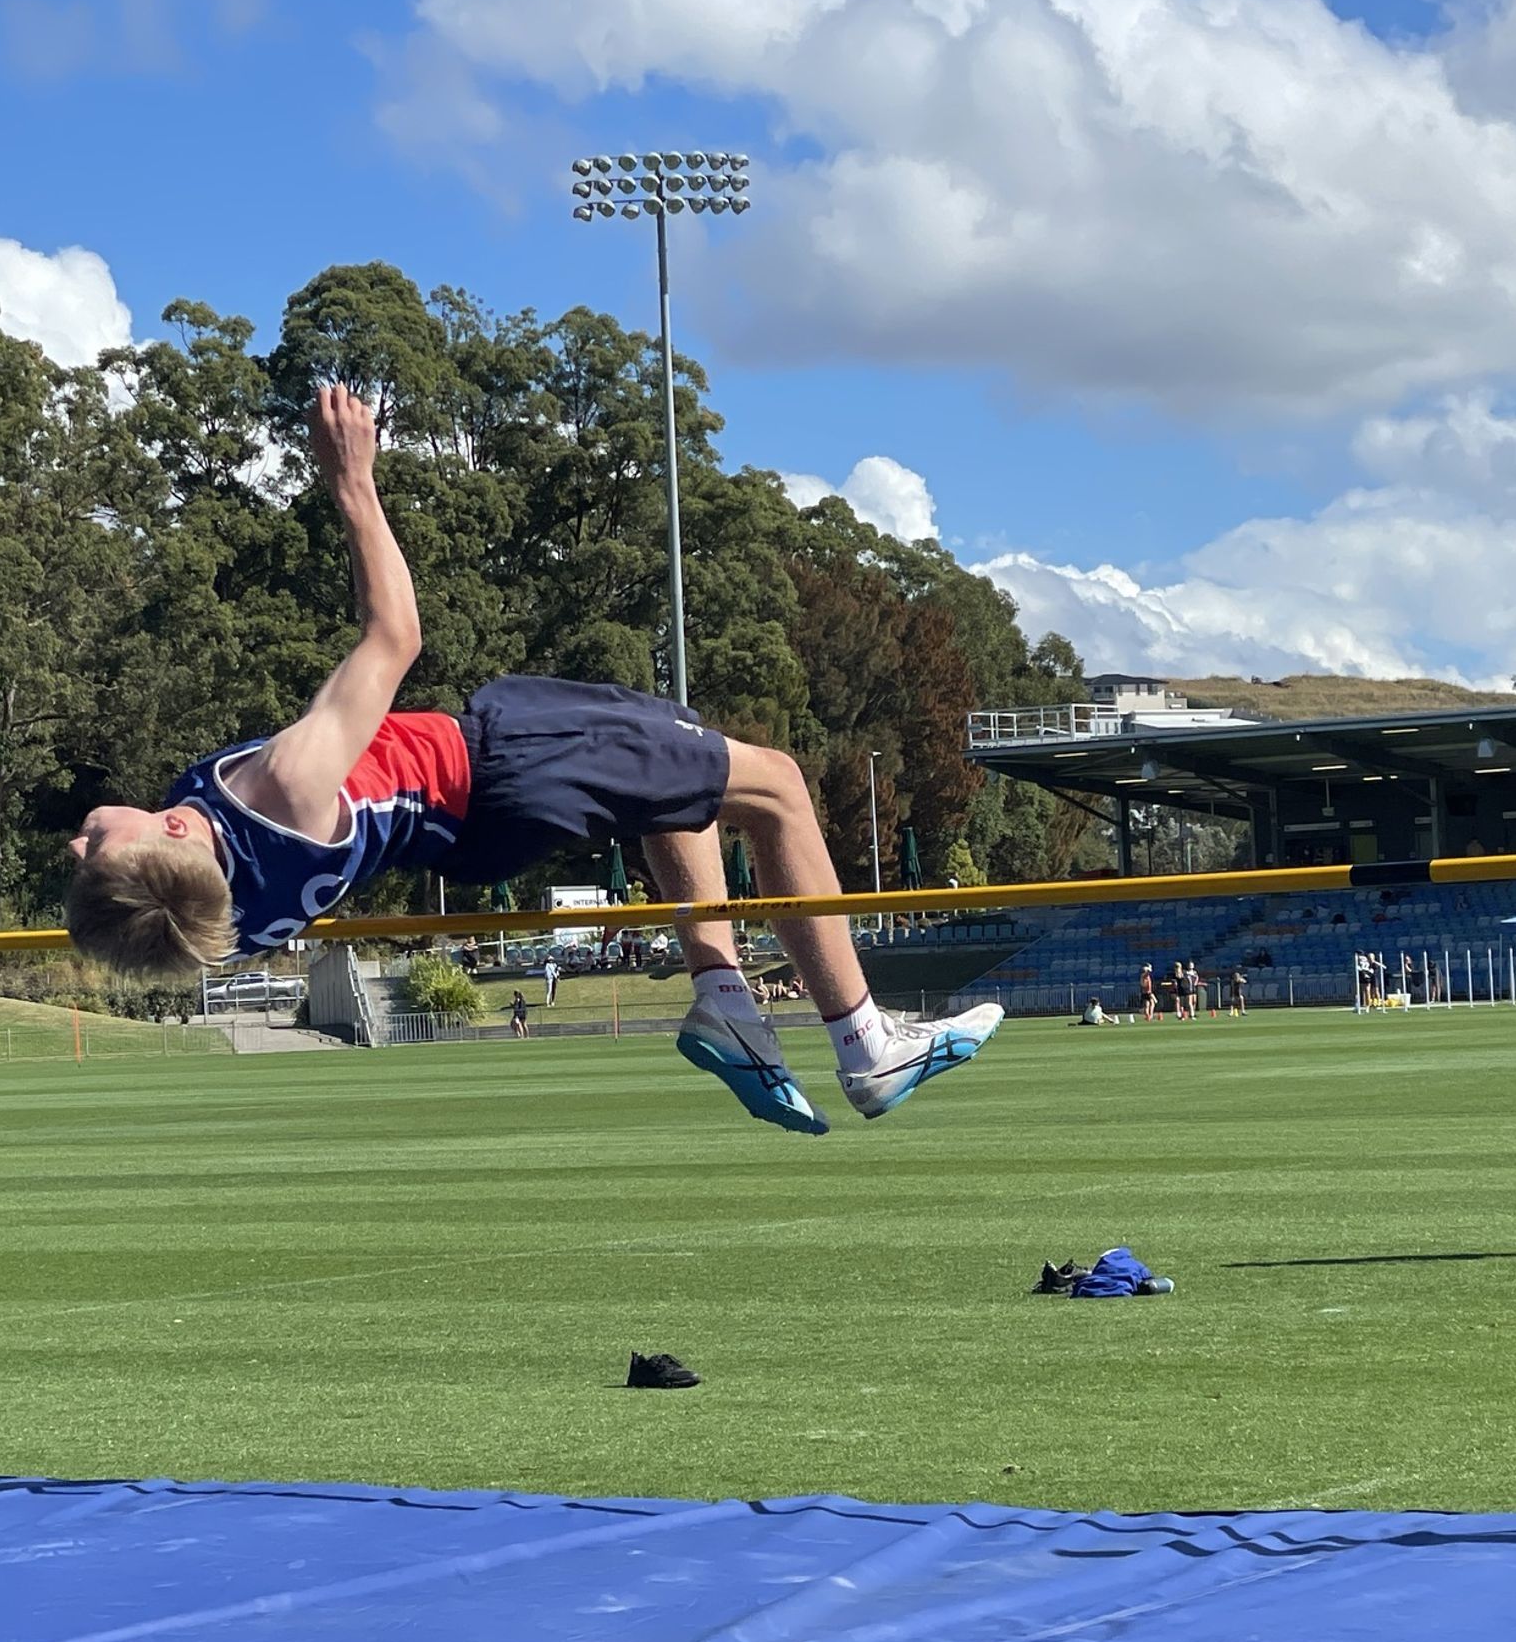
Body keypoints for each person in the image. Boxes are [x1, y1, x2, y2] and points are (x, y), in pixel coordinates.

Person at [64, 384, 1000, 1134]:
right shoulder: (280, 789)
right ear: (175, 832)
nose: (79, 843)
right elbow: (395, 635)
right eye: (97, 851)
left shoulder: (214, 921)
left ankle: (727, 1002)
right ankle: (866, 1045)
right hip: (500, 765)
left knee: (684, 765)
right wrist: (352, 482)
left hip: (477, 817)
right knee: (781, 786)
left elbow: (154, 911)